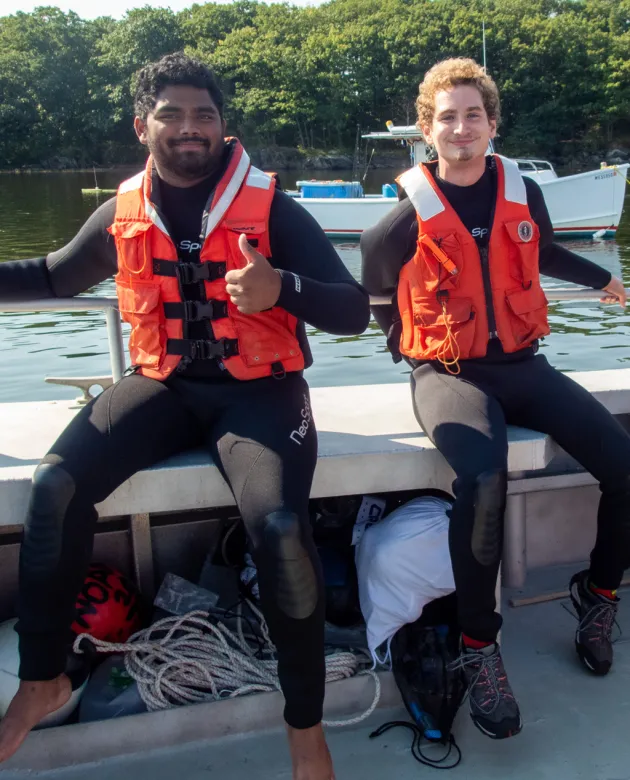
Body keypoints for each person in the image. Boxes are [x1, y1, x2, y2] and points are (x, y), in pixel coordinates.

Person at [0, 52, 370, 779]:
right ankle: (42, 676)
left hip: (261, 394)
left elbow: (354, 311)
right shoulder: (122, 211)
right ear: (143, 126)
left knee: (281, 528)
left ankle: (305, 731)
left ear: (223, 125)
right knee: (56, 486)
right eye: (172, 114)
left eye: (204, 114)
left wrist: (282, 286)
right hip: (165, 385)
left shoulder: (274, 210)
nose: (190, 128)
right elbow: (51, 275)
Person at [361, 57, 630, 741]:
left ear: (492, 122)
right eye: (446, 117)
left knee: (624, 463)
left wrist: (602, 277)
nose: (461, 127)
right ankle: (479, 645)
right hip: (448, 374)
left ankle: (598, 597)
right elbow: (373, 269)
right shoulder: (410, 209)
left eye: (472, 115)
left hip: (521, 365)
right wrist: (401, 342)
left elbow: (539, 254)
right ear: (428, 128)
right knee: (483, 478)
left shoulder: (519, 190)